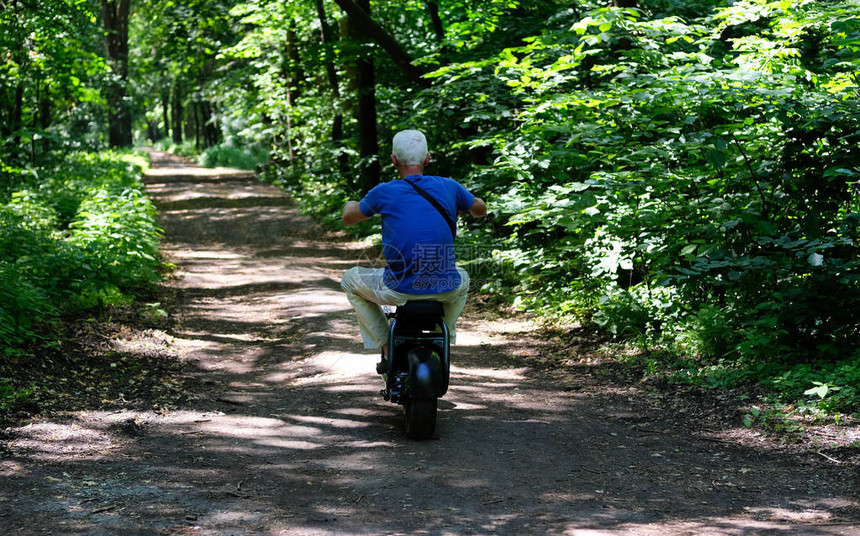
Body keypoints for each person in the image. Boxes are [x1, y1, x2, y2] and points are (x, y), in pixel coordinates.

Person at [341, 129, 487, 365]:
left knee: (349, 280)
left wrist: (350, 204)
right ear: (427, 158)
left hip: (398, 289)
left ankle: (387, 346)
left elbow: (349, 217)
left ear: (394, 161)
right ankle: (444, 334)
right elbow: (480, 210)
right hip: (446, 288)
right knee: (464, 276)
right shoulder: (449, 187)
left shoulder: (383, 192)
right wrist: (466, 202)